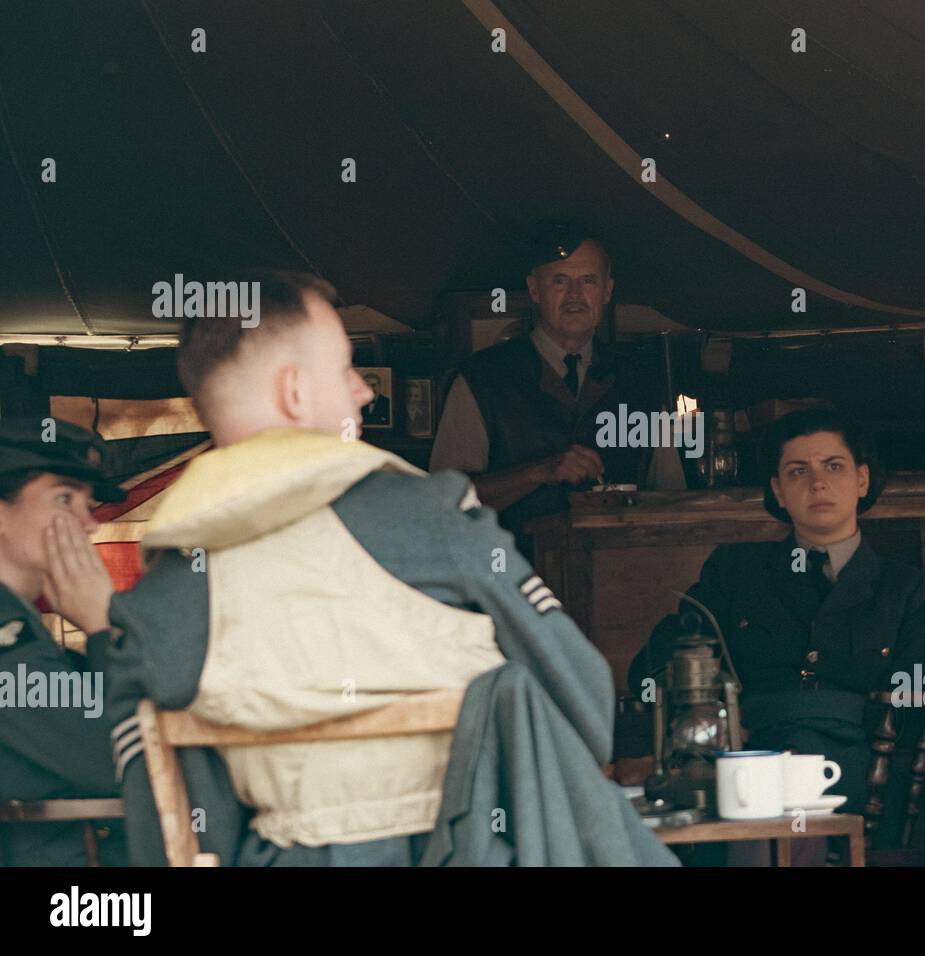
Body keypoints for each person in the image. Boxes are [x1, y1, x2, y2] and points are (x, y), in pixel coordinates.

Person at [80, 270, 672, 865]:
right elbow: (584, 700)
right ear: (295, 392)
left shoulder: (165, 593)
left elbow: (177, 813)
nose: (364, 392)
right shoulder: (429, 515)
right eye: (344, 370)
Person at [628, 407, 925, 853]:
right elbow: (656, 663)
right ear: (778, 491)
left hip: (855, 769)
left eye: (833, 467)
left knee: (781, 802)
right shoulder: (735, 572)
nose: (817, 483)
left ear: (862, 480)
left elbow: (916, 706)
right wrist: (712, 718)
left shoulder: (908, 590)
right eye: (798, 471)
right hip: (748, 754)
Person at [429, 220, 684, 550]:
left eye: (588, 281)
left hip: (619, 583)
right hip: (513, 586)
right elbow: (442, 504)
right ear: (535, 289)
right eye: (560, 281)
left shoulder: (641, 384)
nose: (575, 295)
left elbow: (673, 500)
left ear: (607, 291)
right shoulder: (484, 378)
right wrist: (540, 471)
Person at [0, 417, 127, 866]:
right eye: (64, 498)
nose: (88, 524)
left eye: (87, 504)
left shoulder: (20, 623)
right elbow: (119, 764)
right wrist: (101, 627)